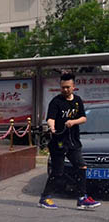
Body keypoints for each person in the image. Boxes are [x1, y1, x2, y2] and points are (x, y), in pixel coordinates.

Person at [39, 73, 100, 210]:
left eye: (68, 87)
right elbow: (50, 118)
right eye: (62, 87)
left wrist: (73, 121)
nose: (65, 90)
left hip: (74, 142)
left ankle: (82, 198)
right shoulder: (56, 102)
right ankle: (45, 198)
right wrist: (52, 126)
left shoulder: (77, 101)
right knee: (58, 172)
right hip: (58, 142)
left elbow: (83, 118)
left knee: (81, 166)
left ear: (73, 87)